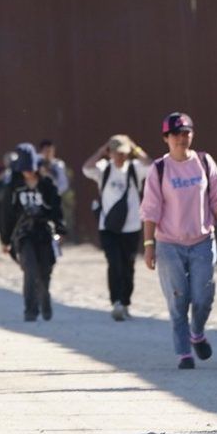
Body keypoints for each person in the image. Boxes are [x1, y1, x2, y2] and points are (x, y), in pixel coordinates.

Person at [141, 113, 217, 369]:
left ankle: (197, 332)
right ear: (166, 138)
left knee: (202, 296)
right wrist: (148, 246)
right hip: (169, 244)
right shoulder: (159, 169)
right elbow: (150, 210)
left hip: (202, 240)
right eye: (177, 134)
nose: (182, 138)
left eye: (186, 132)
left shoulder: (204, 162)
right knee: (178, 299)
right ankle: (184, 353)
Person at [82, 135, 153, 321]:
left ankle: (126, 302)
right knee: (114, 263)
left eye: (123, 153)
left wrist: (136, 148)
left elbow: (152, 166)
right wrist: (100, 151)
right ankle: (116, 303)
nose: (120, 156)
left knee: (128, 266)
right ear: (110, 152)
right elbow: (86, 168)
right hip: (108, 226)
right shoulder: (104, 169)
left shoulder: (134, 169)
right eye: (116, 152)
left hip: (132, 227)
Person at [1, 143, 66, 321]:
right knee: (29, 270)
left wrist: (60, 231)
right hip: (24, 234)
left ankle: (45, 299)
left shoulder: (47, 185)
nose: (28, 172)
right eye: (24, 169)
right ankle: (30, 310)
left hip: (45, 232)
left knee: (44, 272)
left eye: (31, 168)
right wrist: (5, 240)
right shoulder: (13, 187)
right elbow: (7, 214)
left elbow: (57, 210)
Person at [39, 139, 74, 241]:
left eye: (50, 151)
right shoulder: (37, 164)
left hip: (55, 197)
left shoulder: (58, 165)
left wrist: (54, 192)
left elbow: (64, 183)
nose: (48, 153)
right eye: (46, 151)